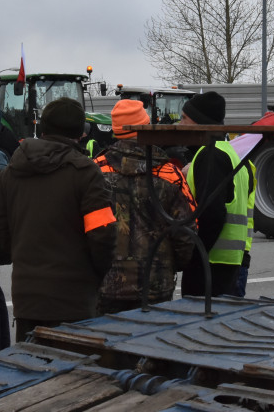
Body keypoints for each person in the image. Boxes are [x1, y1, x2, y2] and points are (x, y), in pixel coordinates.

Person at [0, 97, 116, 342]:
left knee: (32, 375)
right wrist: (95, 276)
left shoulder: (13, 170)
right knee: (73, 377)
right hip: (74, 301)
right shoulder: (86, 173)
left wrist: (23, 258)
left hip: (27, 299)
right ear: (81, 133)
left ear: (43, 128)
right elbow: (103, 235)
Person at [94, 99, 196, 314]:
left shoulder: (94, 171)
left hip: (106, 282)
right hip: (156, 283)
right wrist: (171, 265)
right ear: (146, 125)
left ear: (115, 129)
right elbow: (187, 230)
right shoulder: (169, 173)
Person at [178, 91, 250, 298]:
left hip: (210, 261)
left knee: (198, 322)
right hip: (227, 259)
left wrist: (193, 256)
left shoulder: (210, 155)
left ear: (201, 122)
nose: (180, 125)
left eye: (184, 119)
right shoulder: (230, 152)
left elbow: (212, 213)